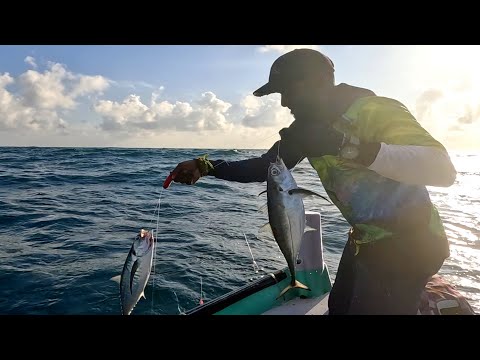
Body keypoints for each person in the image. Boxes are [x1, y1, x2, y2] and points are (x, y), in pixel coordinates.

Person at [169, 48, 457, 315]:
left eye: (288, 91)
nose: (283, 102)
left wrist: (347, 146)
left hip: (412, 243)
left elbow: (443, 170)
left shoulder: (376, 110)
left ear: (319, 82)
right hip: (363, 241)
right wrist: (205, 166)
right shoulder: (304, 131)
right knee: (340, 307)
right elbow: (264, 167)